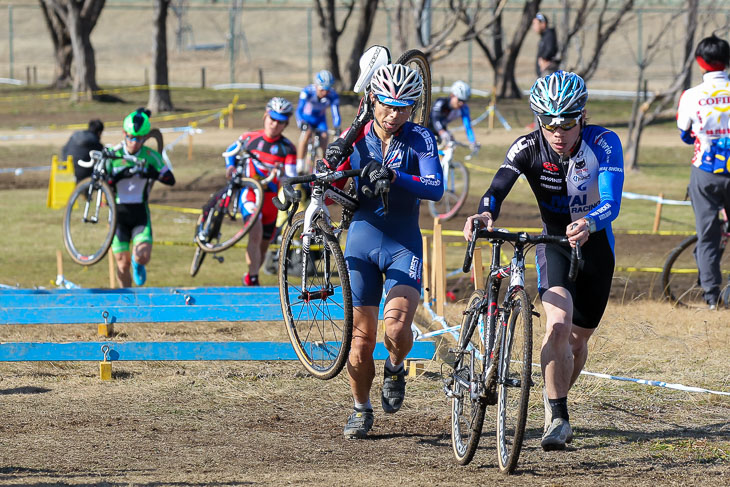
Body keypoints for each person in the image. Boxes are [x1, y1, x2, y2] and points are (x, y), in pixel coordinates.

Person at [463, 71, 624, 451]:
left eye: (567, 123)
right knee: (557, 326)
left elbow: (611, 201)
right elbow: (498, 186)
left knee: (577, 341)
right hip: (553, 243)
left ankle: (556, 398)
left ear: (581, 116)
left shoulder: (604, 142)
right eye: (549, 123)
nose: (558, 132)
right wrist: (485, 214)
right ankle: (558, 416)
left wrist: (590, 221)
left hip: (596, 246)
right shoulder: (527, 147)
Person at [325, 63, 444, 439]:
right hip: (361, 240)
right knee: (360, 343)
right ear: (373, 100)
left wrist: (394, 176)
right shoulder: (354, 136)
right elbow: (333, 183)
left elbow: (434, 186)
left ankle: (395, 365)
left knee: (396, 327)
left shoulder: (420, 137)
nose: (395, 115)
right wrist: (325, 180)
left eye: (404, 107)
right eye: (388, 106)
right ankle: (361, 408)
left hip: (402, 242)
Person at [677, 34, 730, 309]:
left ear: (700, 63)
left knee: (707, 235)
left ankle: (712, 297)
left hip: (706, 171)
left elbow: (684, 133)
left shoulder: (691, 95)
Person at [223, 97, 297, 286]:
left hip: (271, 201)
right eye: (272, 119)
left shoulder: (288, 148)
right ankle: (254, 278)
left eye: (280, 121)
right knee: (254, 232)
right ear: (265, 116)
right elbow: (230, 152)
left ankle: (250, 274)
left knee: (263, 244)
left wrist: (282, 176)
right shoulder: (249, 138)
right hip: (250, 195)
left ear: (285, 124)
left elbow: (291, 175)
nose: (274, 124)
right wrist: (230, 168)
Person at [108, 108, 175, 288]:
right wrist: (120, 175)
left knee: (142, 255)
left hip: (139, 213)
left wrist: (150, 172)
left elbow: (170, 179)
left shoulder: (150, 156)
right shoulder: (113, 154)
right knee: (122, 264)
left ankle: (139, 265)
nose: (133, 142)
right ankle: (127, 301)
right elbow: (102, 182)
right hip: (118, 215)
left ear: (145, 138)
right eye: (130, 137)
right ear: (124, 134)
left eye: (138, 139)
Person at [295, 70, 341, 174]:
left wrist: (337, 127)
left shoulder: (332, 95)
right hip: (307, 118)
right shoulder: (307, 91)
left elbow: (336, 113)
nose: (325, 93)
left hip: (320, 120)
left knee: (324, 138)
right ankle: (300, 164)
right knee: (306, 134)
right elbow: (299, 110)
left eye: (327, 90)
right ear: (316, 86)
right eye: (322, 90)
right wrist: (301, 122)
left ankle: (321, 168)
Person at [429, 80, 479, 151]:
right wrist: (441, 131)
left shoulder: (463, 108)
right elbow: (435, 118)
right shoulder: (441, 102)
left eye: (464, 101)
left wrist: (473, 142)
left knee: (449, 149)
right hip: (427, 128)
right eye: (460, 100)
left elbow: (468, 126)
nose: (461, 103)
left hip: (441, 131)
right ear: (452, 95)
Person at [62, 119, 104, 183]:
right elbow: (102, 155)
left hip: (66, 170)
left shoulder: (76, 134)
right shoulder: (95, 141)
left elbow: (64, 150)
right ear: (99, 132)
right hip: (82, 175)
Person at [532, 12, 559, 77]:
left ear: (543, 24)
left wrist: (543, 59)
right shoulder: (545, 36)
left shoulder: (549, 35)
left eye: (535, 23)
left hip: (547, 71)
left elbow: (550, 49)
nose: (533, 26)